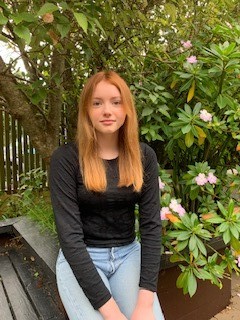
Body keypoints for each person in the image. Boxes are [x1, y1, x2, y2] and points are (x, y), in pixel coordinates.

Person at [49, 70, 165, 320]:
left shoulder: (144, 156)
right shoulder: (66, 160)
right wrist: (113, 313)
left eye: (116, 102)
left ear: (127, 109)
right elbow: (70, 239)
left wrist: (145, 304)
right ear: (86, 110)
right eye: (97, 103)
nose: (107, 111)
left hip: (128, 255)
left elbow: (151, 227)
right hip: (81, 258)